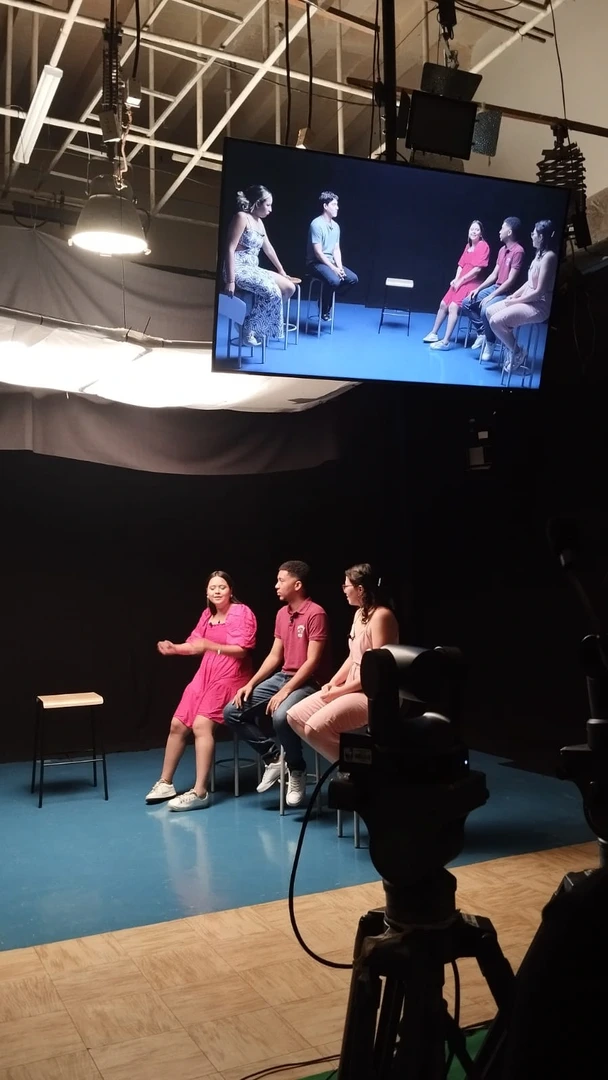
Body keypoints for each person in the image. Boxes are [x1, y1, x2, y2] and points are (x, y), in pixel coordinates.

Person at [146, 571, 257, 812]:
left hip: (232, 675)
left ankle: (200, 792)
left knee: (201, 725)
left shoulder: (241, 612)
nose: (217, 591)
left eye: (222, 587)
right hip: (206, 674)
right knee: (177, 724)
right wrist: (174, 648)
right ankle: (165, 783)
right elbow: (196, 645)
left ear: (231, 591)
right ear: (206, 592)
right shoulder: (208, 615)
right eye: (212, 587)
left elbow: (242, 650)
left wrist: (211, 646)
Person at [223, 560, 330, 808]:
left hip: (310, 682)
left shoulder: (316, 613)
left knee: (281, 717)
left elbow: (312, 662)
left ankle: (296, 769)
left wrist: (285, 691)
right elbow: (274, 656)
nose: (276, 585)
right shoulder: (282, 614)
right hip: (284, 676)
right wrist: (251, 683)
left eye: (281, 580)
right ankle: (273, 759)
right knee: (232, 711)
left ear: (297, 584)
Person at [287, 564, 399, 763]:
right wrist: (333, 683)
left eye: (346, 586)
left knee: (315, 728)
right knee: (295, 716)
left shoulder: (382, 616)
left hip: (373, 694)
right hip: (352, 686)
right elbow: (353, 657)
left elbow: (377, 672)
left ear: (360, 589)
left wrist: (339, 691)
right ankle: (351, 767)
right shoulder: (360, 614)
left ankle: (360, 769)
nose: (344, 590)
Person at [224, 184, 295, 347]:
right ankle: (249, 329)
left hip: (253, 268)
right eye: (268, 205)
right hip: (238, 267)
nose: (270, 209)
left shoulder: (259, 222)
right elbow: (230, 248)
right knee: (272, 291)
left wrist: (281, 270)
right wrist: (230, 280)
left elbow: (268, 248)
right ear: (257, 203)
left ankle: (251, 324)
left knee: (289, 288)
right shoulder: (241, 217)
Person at [488, 219, 558, 374]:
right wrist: (513, 296)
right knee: (490, 311)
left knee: (496, 321)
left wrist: (516, 301)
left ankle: (517, 352)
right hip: (527, 300)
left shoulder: (549, 257)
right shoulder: (539, 254)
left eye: (534, 233)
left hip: (539, 306)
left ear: (541, 237)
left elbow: (539, 291)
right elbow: (529, 283)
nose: (531, 235)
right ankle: (511, 347)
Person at [460, 217, 525, 361]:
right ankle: (483, 332)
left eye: (502, 228)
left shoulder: (518, 251)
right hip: (496, 287)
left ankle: (490, 342)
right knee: (466, 303)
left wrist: (491, 296)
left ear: (509, 232)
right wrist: (479, 289)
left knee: (485, 309)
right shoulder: (502, 250)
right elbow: (494, 274)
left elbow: (510, 281)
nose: (499, 231)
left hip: (508, 292)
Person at [423, 221, 491, 351]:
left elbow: (477, 269)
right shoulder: (468, 246)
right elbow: (461, 265)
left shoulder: (483, 246)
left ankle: (446, 342)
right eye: (472, 229)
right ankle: (434, 333)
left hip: (473, 282)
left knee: (453, 306)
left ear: (481, 233)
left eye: (477, 230)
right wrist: (456, 279)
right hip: (461, 280)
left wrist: (461, 280)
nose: (474, 232)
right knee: (443, 304)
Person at [306, 191, 359, 321]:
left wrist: (339, 267)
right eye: (334, 204)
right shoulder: (316, 224)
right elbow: (318, 253)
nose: (337, 207)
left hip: (330, 263)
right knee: (334, 280)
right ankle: (325, 308)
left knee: (353, 279)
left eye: (337, 204)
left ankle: (326, 296)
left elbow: (336, 249)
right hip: (315, 263)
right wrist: (333, 269)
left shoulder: (336, 226)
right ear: (325, 206)